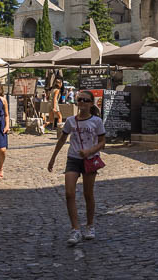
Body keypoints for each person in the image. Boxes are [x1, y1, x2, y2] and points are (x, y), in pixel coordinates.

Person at [47, 90, 106, 246]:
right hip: (73, 158)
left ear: (91, 103)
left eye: (86, 100)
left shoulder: (97, 121)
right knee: (69, 193)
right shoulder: (71, 121)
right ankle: (75, 228)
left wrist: (90, 151)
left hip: (90, 159)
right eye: (80, 99)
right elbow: (62, 139)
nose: (82, 102)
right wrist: (53, 158)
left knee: (88, 194)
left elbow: (102, 142)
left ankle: (90, 225)